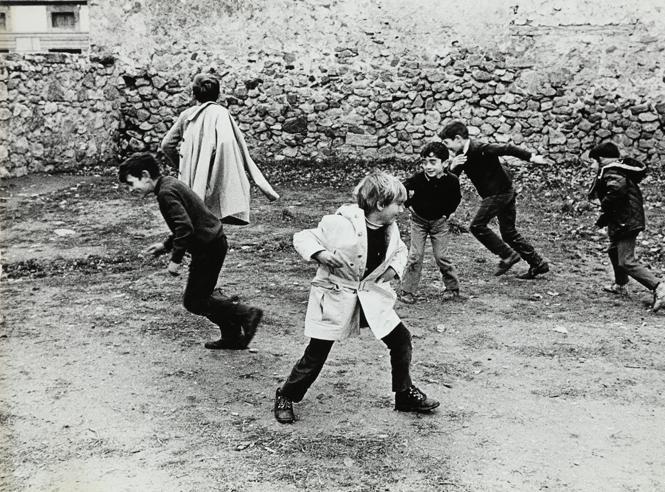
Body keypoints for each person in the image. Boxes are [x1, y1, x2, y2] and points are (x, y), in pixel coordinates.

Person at [273, 171, 440, 424]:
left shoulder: (390, 228)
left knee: (401, 339)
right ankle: (286, 395)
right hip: (337, 296)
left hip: (370, 296)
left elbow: (401, 250)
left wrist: (395, 268)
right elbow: (303, 237)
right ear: (380, 204)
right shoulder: (340, 224)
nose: (403, 210)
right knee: (316, 353)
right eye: (399, 204)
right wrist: (320, 254)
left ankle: (404, 393)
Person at [118, 152, 264, 349]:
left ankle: (245, 313)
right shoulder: (169, 183)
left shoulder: (165, 193)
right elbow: (189, 221)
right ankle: (232, 336)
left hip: (208, 247)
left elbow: (184, 227)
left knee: (194, 301)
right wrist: (165, 246)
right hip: (212, 243)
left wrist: (175, 260)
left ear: (145, 175)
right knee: (203, 297)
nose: (130, 189)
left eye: (130, 183)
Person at [161, 73, 279, 225]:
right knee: (213, 212)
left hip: (192, 174)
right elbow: (227, 144)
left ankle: (198, 243)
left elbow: (166, 145)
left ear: (193, 94)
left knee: (193, 214)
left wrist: (183, 166)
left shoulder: (187, 115)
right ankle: (213, 240)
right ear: (218, 94)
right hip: (215, 171)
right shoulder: (221, 114)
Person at [438, 120, 550, 279]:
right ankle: (538, 264)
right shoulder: (460, 156)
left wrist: (531, 157)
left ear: (458, 138)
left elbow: (508, 148)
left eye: (448, 144)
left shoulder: (480, 148)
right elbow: (451, 180)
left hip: (500, 193)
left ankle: (508, 255)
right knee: (509, 233)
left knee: (477, 226)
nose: (448, 149)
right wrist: (452, 167)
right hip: (505, 191)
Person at [586, 141, 665, 311]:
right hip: (623, 220)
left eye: (593, 161)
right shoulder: (616, 171)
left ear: (602, 159)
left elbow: (616, 192)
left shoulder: (612, 172)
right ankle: (620, 284)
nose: (591, 165)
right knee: (613, 251)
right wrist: (605, 218)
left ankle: (658, 287)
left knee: (625, 260)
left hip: (626, 222)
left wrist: (604, 206)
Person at [399, 142, 463, 304]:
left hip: (439, 224)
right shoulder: (418, 179)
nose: (428, 166)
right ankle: (407, 290)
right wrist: (409, 206)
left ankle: (452, 288)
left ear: (445, 163)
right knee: (415, 255)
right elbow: (402, 188)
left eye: (433, 162)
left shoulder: (452, 181)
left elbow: (456, 199)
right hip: (418, 222)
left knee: (441, 256)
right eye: (425, 162)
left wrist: (447, 214)